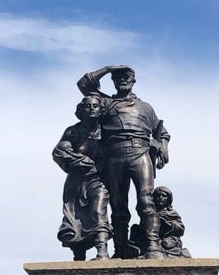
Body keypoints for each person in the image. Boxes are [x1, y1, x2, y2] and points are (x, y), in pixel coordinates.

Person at [76, 64, 170, 257]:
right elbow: (84, 84)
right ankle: (120, 249)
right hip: (114, 156)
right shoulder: (106, 103)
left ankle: (153, 244)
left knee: (146, 200)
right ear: (113, 81)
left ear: (133, 80)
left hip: (140, 153)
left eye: (126, 77)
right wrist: (108, 69)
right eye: (118, 77)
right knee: (118, 206)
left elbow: (162, 133)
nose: (122, 80)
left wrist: (163, 148)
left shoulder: (145, 107)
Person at [52, 94, 111, 259]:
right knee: (75, 216)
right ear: (81, 110)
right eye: (88, 106)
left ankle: (102, 250)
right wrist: (80, 160)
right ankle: (78, 255)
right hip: (76, 181)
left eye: (95, 106)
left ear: (101, 110)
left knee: (98, 210)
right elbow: (58, 152)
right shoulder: (73, 131)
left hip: (98, 179)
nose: (91, 109)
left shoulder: (107, 131)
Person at [129, 184, 189, 258]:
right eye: (158, 196)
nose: (160, 198)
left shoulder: (171, 213)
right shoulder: (149, 213)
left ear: (168, 199)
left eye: (163, 196)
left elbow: (181, 229)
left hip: (168, 237)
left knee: (166, 243)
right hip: (151, 238)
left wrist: (168, 225)